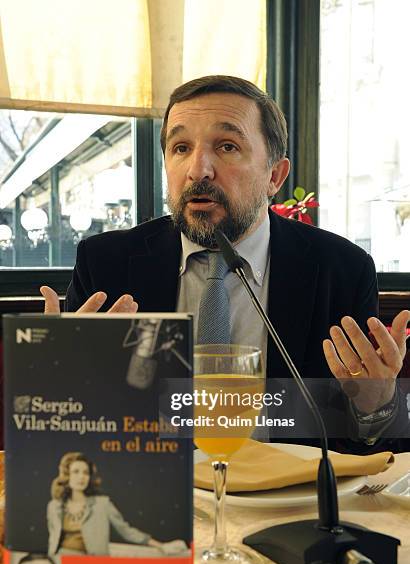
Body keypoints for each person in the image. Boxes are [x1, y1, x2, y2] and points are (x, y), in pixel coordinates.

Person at [40, 75, 409, 452]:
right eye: (180, 147)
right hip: (154, 494)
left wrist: (375, 404)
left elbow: (373, 447)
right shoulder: (106, 264)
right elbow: (72, 434)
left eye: (228, 146)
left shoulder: (341, 269)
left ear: (275, 176)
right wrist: (61, 385)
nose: (198, 170)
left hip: (286, 500)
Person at [47, 452, 163, 556]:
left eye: (86, 473)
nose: (81, 477)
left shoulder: (102, 504)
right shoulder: (54, 506)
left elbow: (126, 531)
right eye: (76, 472)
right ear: (67, 475)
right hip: (60, 562)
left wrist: (160, 546)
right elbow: (53, 539)